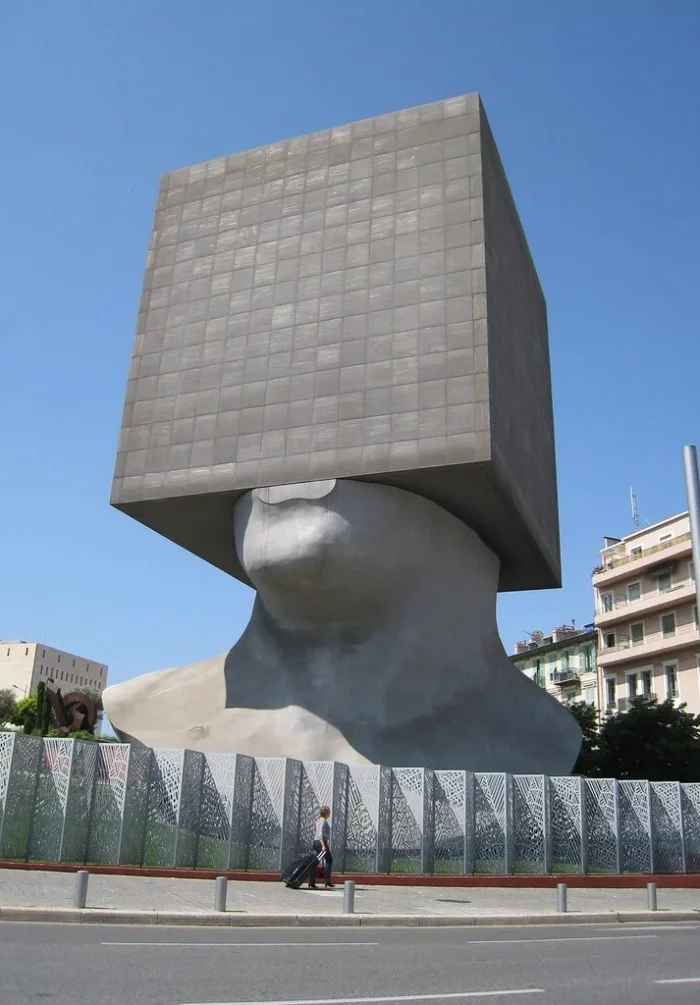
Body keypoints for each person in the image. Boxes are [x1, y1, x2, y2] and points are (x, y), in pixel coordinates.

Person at [309, 806, 334, 889]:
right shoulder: (323, 821)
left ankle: (311, 882)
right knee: (329, 860)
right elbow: (320, 833)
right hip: (321, 843)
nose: (330, 813)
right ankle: (327, 881)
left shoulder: (318, 821)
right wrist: (323, 845)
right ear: (326, 813)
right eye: (329, 812)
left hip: (316, 842)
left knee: (315, 862)